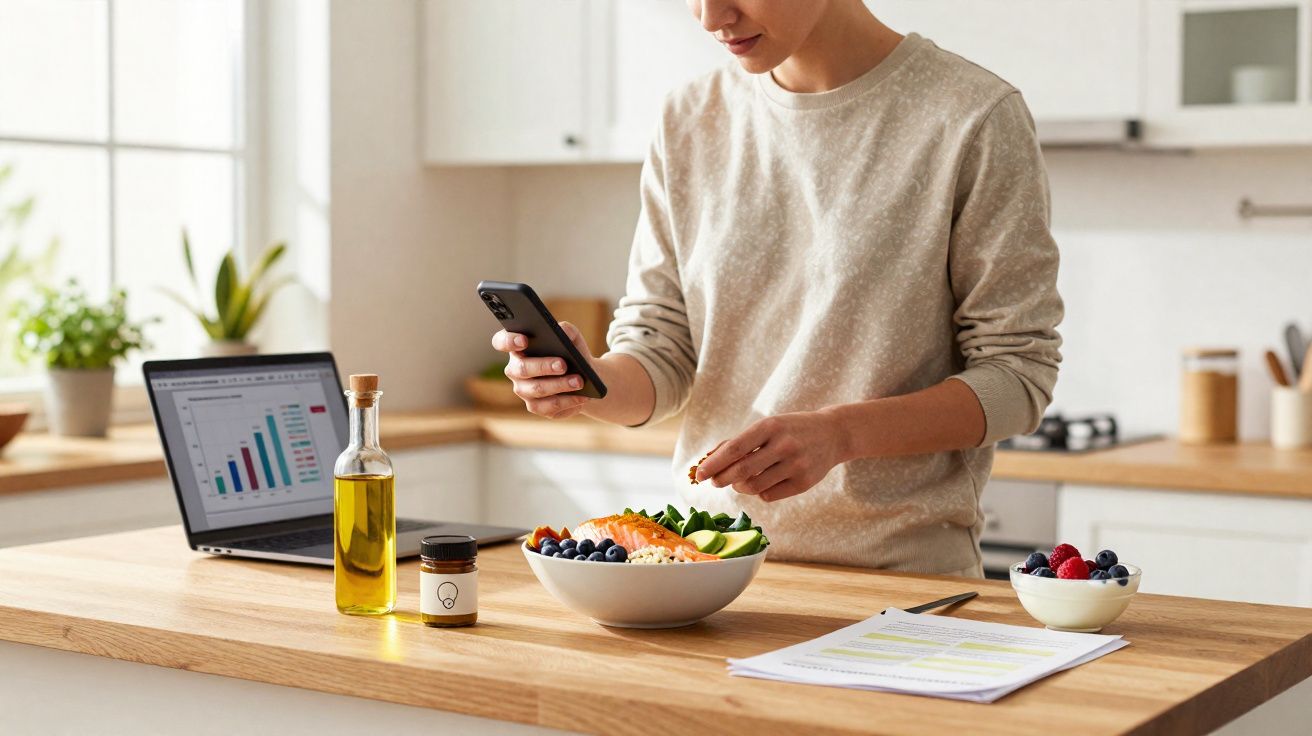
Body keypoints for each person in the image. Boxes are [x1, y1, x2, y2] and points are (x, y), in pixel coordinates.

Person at [491, 0, 1063, 576]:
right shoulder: (690, 118)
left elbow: (1017, 376)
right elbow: (661, 348)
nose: (711, 17)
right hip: (709, 570)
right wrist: (588, 381)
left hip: (900, 585)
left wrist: (841, 434)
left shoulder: (971, 115)